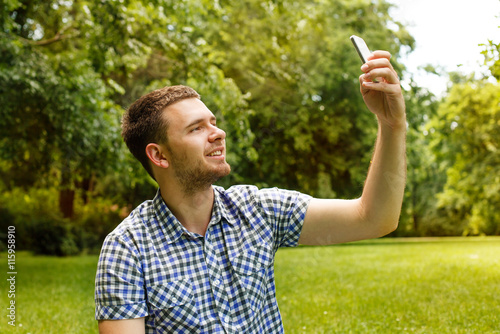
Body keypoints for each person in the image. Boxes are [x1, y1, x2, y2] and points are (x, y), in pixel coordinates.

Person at [95, 50, 406, 333]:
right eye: (196, 128)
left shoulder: (258, 210)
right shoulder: (127, 250)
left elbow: (375, 218)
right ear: (159, 155)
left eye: (213, 122)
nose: (218, 134)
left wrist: (391, 125)